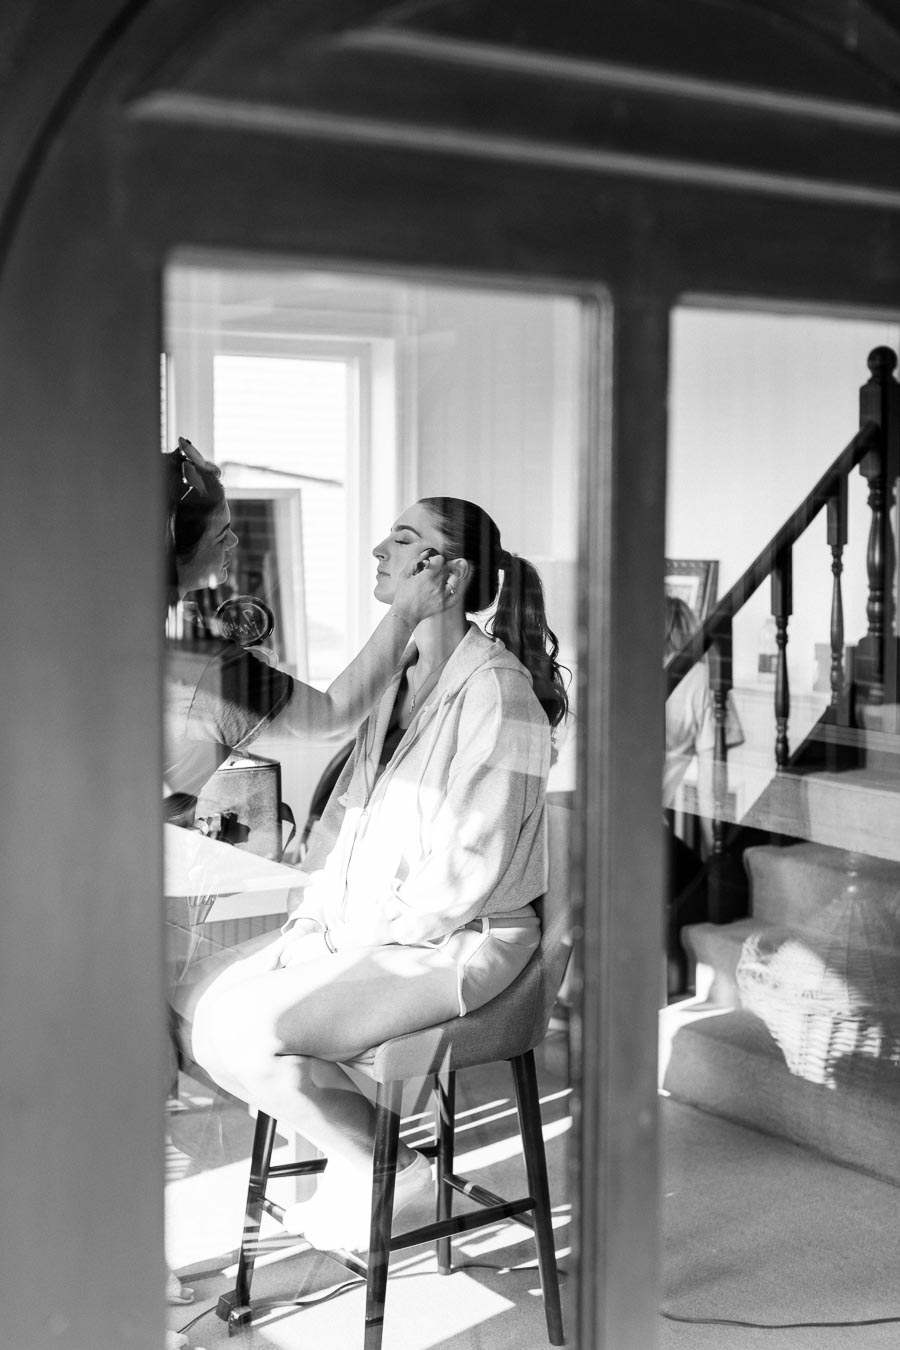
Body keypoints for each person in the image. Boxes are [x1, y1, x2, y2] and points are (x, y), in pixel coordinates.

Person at [177, 495, 569, 1250]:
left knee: (248, 1028)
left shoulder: (500, 691)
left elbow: (468, 871)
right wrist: (316, 924)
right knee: (198, 1000)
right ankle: (366, 1161)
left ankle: (390, 1168)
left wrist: (351, 941)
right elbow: (341, 828)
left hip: (460, 941)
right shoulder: (397, 681)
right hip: (372, 929)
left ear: (446, 574)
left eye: (403, 539)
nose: (378, 552)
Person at [163, 438, 448, 812]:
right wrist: (405, 613)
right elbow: (331, 717)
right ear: (176, 550)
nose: (232, 540)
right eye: (221, 535)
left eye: (403, 540)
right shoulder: (195, 655)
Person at [664, 593, 743, 993]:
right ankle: (680, 981)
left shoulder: (619, 666)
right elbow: (716, 771)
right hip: (639, 826)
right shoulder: (699, 679)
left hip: (567, 810)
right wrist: (720, 844)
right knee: (702, 882)